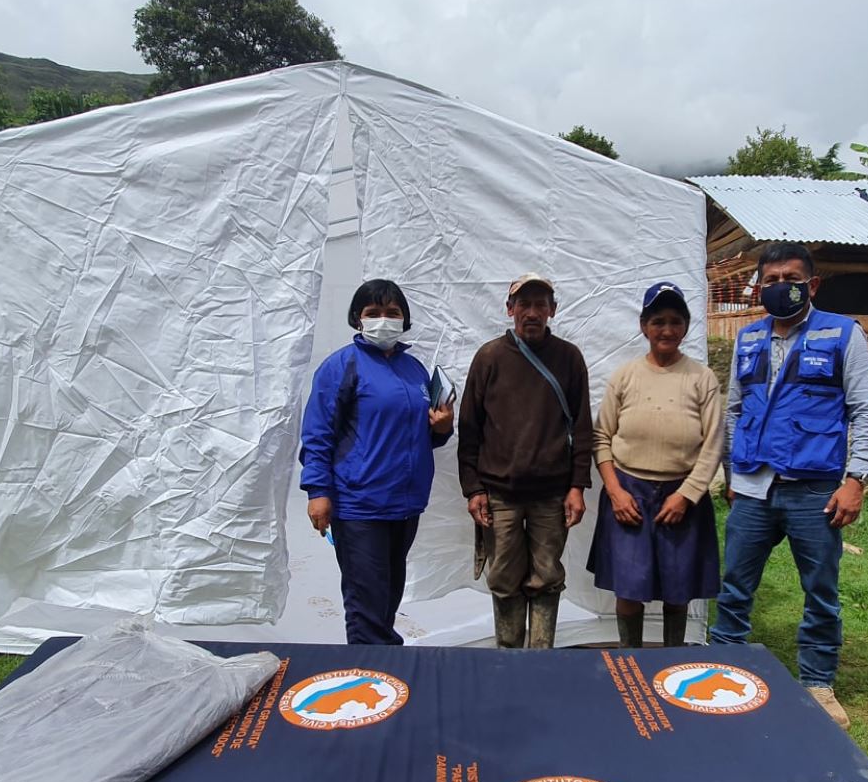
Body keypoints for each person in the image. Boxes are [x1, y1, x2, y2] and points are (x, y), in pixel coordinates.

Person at [709, 242, 868, 728]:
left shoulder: (842, 334)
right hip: (753, 486)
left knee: (820, 589)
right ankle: (726, 666)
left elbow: (866, 410)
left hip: (814, 487)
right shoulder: (748, 338)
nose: (778, 286)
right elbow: (736, 411)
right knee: (736, 585)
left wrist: (856, 480)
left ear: (812, 283)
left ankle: (817, 682)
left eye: (789, 277)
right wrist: (731, 475)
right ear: (759, 286)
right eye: (768, 279)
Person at [299, 279, 454, 645]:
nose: (383, 319)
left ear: (404, 320)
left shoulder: (415, 370)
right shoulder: (341, 366)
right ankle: (370, 678)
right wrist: (318, 491)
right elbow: (318, 433)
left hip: (405, 505)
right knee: (366, 605)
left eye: (392, 313)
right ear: (357, 319)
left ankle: (385, 673)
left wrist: (443, 429)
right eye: (373, 313)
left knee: (386, 598)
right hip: (359, 506)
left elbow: (420, 436)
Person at [457, 272, 593, 649]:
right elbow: (469, 428)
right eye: (524, 304)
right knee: (503, 576)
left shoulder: (568, 357)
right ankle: (508, 658)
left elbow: (583, 426)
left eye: (540, 304)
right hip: (499, 492)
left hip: (552, 492)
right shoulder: (489, 357)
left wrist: (577, 486)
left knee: (547, 575)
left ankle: (540, 659)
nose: (531, 312)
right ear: (510, 309)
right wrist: (473, 489)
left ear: (552, 309)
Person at [586, 281, 724, 648]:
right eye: (658, 321)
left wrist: (687, 496)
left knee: (678, 589)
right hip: (629, 493)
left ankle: (673, 662)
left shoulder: (701, 379)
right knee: (629, 588)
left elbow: (712, 445)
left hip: (682, 496)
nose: (667, 330)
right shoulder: (625, 376)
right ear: (643, 325)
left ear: (686, 327)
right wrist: (615, 492)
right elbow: (601, 438)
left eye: (676, 321)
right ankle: (630, 660)